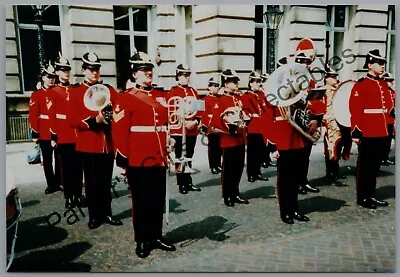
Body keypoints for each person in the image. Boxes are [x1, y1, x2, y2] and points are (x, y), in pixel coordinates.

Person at [112, 51, 176, 258]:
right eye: (142, 70)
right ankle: (142, 239)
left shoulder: (161, 95)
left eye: (149, 69)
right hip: (138, 158)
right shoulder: (125, 98)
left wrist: (171, 138)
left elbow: (166, 124)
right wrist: (122, 159)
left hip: (159, 156)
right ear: (134, 73)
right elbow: (120, 131)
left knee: (158, 199)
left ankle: (156, 235)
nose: (148, 73)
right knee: (141, 202)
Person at [67, 52, 122, 229]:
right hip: (89, 144)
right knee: (91, 183)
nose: (94, 73)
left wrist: (112, 114)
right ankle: (94, 215)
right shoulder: (76, 92)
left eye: (96, 69)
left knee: (106, 182)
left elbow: (120, 109)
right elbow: (72, 120)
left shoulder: (109, 90)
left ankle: (106, 213)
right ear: (83, 70)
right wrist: (93, 121)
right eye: (90, 69)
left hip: (108, 144)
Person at [350, 49, 393, 209]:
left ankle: (371, 195)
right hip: (368, 131)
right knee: (366, 167)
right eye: (379, 63)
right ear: (369, 65)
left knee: (374, 166)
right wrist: (356, 131)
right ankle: (363, 197)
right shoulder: (361, 85)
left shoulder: (382, 84)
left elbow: (388, 107)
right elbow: (356, 110)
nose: (382, 67)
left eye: (383, 64)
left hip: (382, 131)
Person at [49, 53, 86, 209]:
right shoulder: (53, 91)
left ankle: (78, 194)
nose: (66, 73)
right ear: (57, 72)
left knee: (79, 167)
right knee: (67, 167)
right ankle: (69, 195)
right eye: (62, 70)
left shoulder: (75, 89)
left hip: (78, 134)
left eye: (67, 70)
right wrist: (53, 136)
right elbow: (52, 116)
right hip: (63, 134)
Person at [209, 69, 249, 207]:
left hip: (240, 138)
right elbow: (215, 122)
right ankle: (227, 195)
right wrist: (229, 127)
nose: (237, 83)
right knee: (228, 170)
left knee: (238, 168)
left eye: (236, 80)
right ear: (226, 84)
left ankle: (235, 192)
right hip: (228, 140)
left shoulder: (238, 99)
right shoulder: (220, 101)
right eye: (233, 81)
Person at [28, 61, 63, 195]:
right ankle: (51, 184)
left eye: (53, 77)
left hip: (58, 131)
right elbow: (33, 115)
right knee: (47, 160)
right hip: (44, 131)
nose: (51, 79)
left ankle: (59, 182)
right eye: (48, 76)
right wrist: (35, 133)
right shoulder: (37, 95)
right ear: (43, 78)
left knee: (59, 159)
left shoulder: (58, 92)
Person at [168, 64, 202, 194]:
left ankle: (188, 182)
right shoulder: (172, 92)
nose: (186, 78)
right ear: (178, 76)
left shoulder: (194, 92)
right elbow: (170, 112)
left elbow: (200, 111)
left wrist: (195, 121)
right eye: (183, 75)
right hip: (178, 130)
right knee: (179, 157)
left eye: (188, 75)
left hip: (191, 130)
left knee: (189, 156)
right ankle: (181, 183)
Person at [293, 42, 322, 195]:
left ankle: (303, 181)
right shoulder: (290, 79)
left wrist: (316, 119)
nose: (306, 65)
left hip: (308, 122)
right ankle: (296, 182)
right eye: (303, 62)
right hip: (295, 122)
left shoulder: (311, 81)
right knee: (296, 156)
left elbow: (317, 101)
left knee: (305, 155)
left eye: (308, 62)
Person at [322, 65, 351, 180]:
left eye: (335, 76)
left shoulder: (339, 88)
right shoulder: (322, 90)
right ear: (326, 78)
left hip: (339, 118)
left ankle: (335, 170)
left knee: (339, 144)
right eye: (332, 77)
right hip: (329, 120)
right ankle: (330, 172)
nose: (335, 79)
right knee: (331, 145)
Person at [241, 71, 269, 182]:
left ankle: (258, 172)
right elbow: (246, 110)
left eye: (259, 82)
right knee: (252, 152)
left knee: (260, 151)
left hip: (262, 126)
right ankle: (251, 174)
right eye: (256, 82)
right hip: (253, 126)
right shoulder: (247, 95)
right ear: (251, 83)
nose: (258, 84)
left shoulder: (262, 95)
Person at [200, 77, 223, 174]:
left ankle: (218, 164)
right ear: (209, 87)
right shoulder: (204, 99)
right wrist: (205, 126)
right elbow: (201, 114)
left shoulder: (220, 99)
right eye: (213, 86)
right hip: (211, 126)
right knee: (212, 147)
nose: (215, 88)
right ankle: (213, 165)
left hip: (220, 126)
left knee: (219, 147)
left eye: (217, 86)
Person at [381, 72, 395, 166]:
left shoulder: (393, 92)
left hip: (391, 120)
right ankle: (381, 158)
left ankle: (385, 157)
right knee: (382, 141)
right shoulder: (382, 92)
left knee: (388, 140)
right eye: (389, 81)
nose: (391, 83)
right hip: (383, 120)